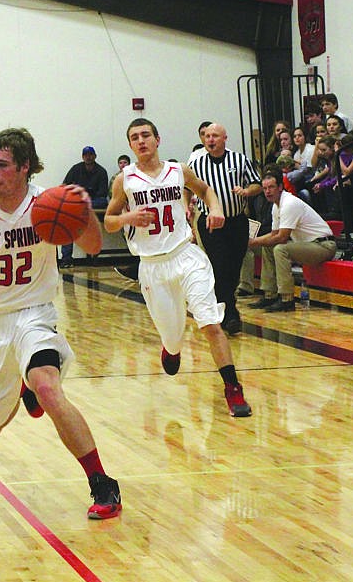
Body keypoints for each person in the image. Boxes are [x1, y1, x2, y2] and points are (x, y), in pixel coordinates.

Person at [0, 127, 122, 520]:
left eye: (1, 165)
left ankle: (102, 483)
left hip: (34, 313)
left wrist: (81, 213)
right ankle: (22, 382)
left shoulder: (49, 202)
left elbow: (93, 247)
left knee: (49, 390)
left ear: (24, 167)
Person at [104, 117, 252, 418]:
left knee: (210, 322)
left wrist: (217, 208)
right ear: (130, 145)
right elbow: (108, 221)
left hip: (186, 255)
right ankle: (171, 349)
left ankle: (233, 389)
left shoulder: (179, 170)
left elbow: (206, 190)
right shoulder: (125, 179)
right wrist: (127, 219)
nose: (141, 141)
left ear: (157, 140)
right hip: (153, 266)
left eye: (146, 135)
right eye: (135, 137)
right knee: (172, 336)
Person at [188, 123, 262, 335]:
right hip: (211, 223)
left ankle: (225, 309)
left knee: (233, 268)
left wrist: (247, 191)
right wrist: (187, 208)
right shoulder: (196, 162)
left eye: (215, 136)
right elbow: (187, 187)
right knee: (219, 266)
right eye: (207, 136)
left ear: (224, 138)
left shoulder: (239, 159)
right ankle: (229, 314)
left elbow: (257, 184)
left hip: (237, 221)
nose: (210, 140)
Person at [247, 173, 336, 311]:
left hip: (324, 246)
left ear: (280, 187)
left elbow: (281, 237)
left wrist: (251, 242)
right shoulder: (276, 206)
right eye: (264, 188)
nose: (268, 191)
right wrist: (252, 241)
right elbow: (273, 234)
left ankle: (287, 299)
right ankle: (270, 294)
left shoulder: (289, 203)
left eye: (271, 187)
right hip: (309, 245)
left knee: (280, 249)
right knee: (268, 246)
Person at [59, 145, 109, 268]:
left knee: (102, 201)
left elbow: (103, 193)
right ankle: (66, 259)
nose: (88, 157)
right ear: (83, 157)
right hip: (78, 201)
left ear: (95, 156)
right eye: (86, 155)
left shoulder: (101, 171)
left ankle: (94, 257)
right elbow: (64, 186)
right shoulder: (75, 169)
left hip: (94, 203)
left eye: (91, 155)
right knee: (67, 224)